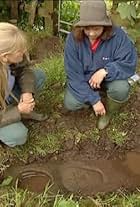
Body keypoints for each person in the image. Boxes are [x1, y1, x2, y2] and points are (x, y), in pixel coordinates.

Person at [64, 0, 137, 130]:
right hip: (85, 80)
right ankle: (95, 98)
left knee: (121, 89)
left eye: (96, 28)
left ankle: (108, 113)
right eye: (87, 28)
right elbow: (74, 75)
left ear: (105, 25)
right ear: (81, 27)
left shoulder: (118, 36)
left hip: (110, 78)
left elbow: (128, 63)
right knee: (71, 103)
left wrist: (105, 71)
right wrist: (94, 100)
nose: (91, 33)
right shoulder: (72, 39)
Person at [0, 22, 47, 147]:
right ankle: (16, 115)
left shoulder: (12, 57)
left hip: (5, 96)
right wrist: (18, 110)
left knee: (39, 76)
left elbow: (25, 70)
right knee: (18, 136)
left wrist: (27, 92)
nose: (24, 51)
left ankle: (20, 111)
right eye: (20, 51)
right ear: (5, 57)